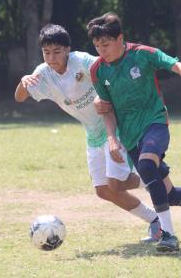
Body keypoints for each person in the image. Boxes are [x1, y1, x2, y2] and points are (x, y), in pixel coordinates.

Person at [87, 12, 181, 253]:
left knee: (145, 166)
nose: (102, 50)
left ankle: (169, 235)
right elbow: (107, 110)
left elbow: (178, 65)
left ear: (120, 38)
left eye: (106, 44)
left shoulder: (143, 54)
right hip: (130, 136)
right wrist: (112, 139)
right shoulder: (98, 71)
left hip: (155, 123)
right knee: (169, 194)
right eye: (97, 46)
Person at [14, 24, 162, 243]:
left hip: (114, 126)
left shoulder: (82, 61)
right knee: (103, 190)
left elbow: (109, 72)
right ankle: (154, 216)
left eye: (56, 52)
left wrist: (104, 96)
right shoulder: (42, 74)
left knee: (115, 183)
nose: (51, 57)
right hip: (92, 134)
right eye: (46, 52)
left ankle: (155, 184)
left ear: (67, 49)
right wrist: (23, 82)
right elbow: (19, 98)